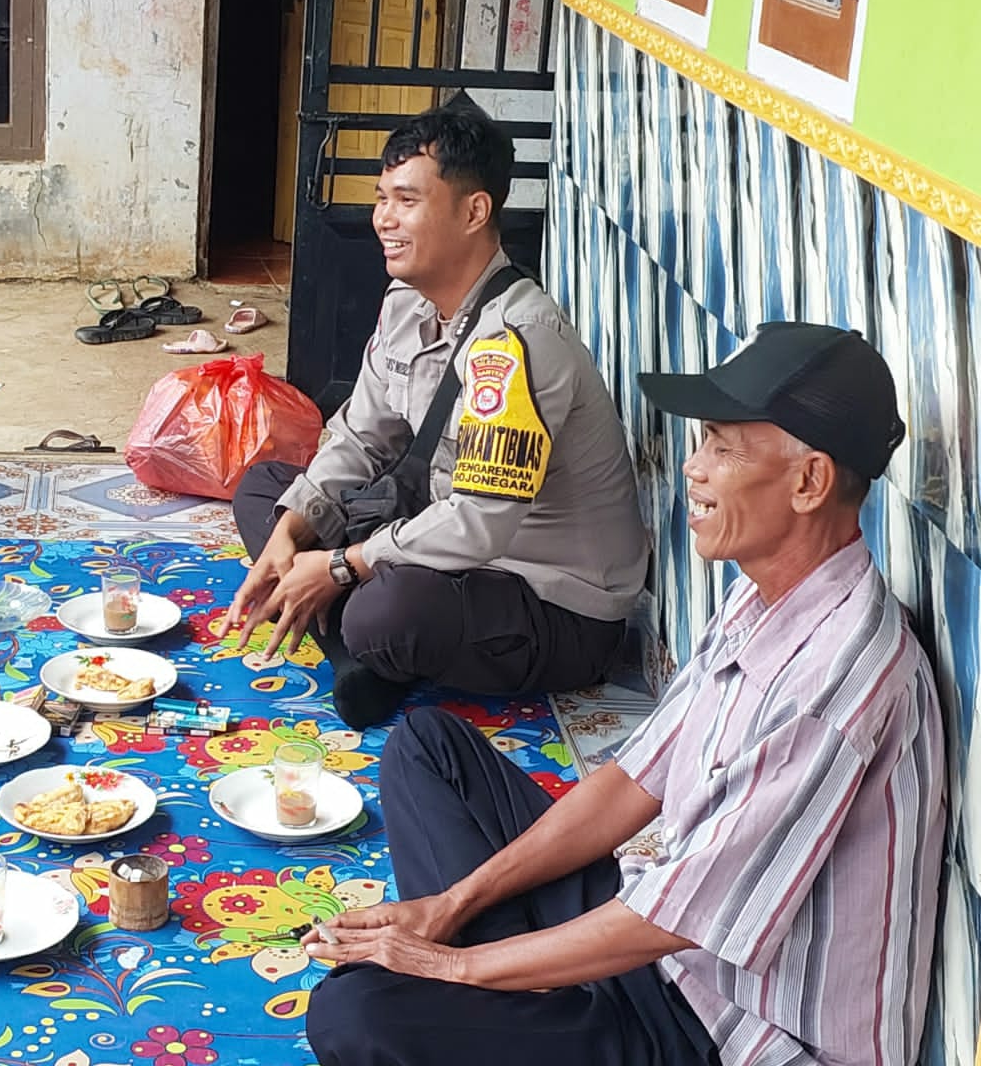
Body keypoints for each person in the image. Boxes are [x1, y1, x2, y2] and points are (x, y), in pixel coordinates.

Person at [302, 322, 945, 1066]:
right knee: (428, 749)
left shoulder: (838, 683)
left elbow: (674, 919)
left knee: (356, 1014)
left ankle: (513, 1001)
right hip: (657, 954)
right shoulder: (765, 595)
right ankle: (524, 1000)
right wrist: (449, 907)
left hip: (721, 1034)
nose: (692, 468)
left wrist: (453, 965)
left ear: (810, 482)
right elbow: (635, 780)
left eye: (723, 447)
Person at [228, 99, 647, 728]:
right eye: (381, 199)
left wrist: (342, 564)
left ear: (474, 211)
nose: (383, 219)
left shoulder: (519, 341)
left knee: (385, 612)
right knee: (267, 491)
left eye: (407, 201)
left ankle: (359, 643)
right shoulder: (406, 302)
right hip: (450, 548)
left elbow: (479, 524)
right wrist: (293, 528)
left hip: (547, 598)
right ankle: (360, 656)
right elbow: (360, 435)